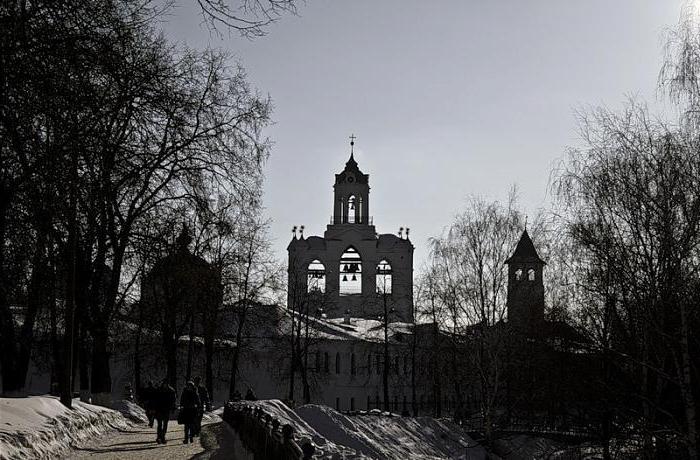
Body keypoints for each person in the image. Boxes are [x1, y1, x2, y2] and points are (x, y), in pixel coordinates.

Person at [154, 379, 176, 444]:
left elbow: (173, 401)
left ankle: (162, 436)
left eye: (165, 383)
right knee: (160, 424)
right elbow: (155, 400)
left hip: (166, 409)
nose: (164, 384)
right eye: (163, 383)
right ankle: (159, 437)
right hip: (159, 409)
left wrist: (173, 408)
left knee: (165, 424)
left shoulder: (171, 391)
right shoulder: (159, 390)